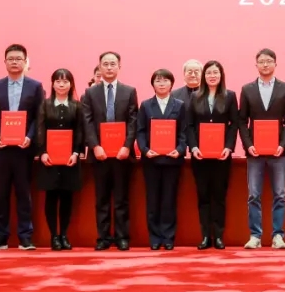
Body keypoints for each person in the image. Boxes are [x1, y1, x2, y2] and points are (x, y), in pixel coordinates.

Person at [0, 44, 45, 250]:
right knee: (1, 194)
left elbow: (39, 117)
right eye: (11, 59)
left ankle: (25, 236)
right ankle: (1, 237)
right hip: (1, 149)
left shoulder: (35, 86)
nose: (15, 62)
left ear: (25, 62)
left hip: (24, 149)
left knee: (24, 193)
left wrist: (29, 137)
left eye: (19, 59)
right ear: (5, 62)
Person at [238, 48, 285, 249]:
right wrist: (248, 145)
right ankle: (255, 236)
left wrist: (283, 144)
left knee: (280, 194)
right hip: (255, 152)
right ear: (256, 65)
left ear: (275, 64)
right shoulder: (247, 89)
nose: (265, 64)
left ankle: (278, 235)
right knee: (253, 195)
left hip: (278, 152)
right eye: (261, 61)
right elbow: (242, 121)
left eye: (269, 61)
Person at [81, 51, 138, 251]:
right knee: (102, 199)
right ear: (99, 67)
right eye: (105, 64)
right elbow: (87, 122)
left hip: (122, 154)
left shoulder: (129, 91)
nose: (109, 67)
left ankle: (122, 237)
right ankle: (103, 237)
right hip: (100, 154)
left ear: (119, 67)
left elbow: (133, 121)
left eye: (113, 63)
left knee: (121, 198)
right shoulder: (90, 93)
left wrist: (127, 146)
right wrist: (95, 146)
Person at [186, 60, 239, 249]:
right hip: (200, 156)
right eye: (209, 73)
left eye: (215, 72)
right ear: (204, 76)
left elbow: (234, 124)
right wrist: (193, 147)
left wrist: (229, 147)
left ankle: (218, 236)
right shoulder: (195, 96)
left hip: (221, 156)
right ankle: (205, 237)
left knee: (219, 196)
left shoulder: (230, 96)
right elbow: (189, 125)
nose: (212, 76)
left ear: (221, 75)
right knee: (203, 196)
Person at [136, 68, 188, 250]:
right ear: (153, 84)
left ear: (171, 84)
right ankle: (155, 238)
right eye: (158, 80)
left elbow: (184, 131)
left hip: (172, 161)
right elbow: (140, 131)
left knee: (169, 200)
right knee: (153, 200)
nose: (162, 84)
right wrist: (145, 149)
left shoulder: (180, 105)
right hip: (151, 160)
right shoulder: (145, 105)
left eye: (165, 80)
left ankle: (168, 237)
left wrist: (180, 149)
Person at [36, 68, 84, 250]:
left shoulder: (77, 106)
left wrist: (76, 153)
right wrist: (42, 152)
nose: (61, 84)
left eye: (65, 81)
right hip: (49, 159)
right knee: (51, 197)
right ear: (53, 84)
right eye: (58, 81)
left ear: (71, 84)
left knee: (66, 198)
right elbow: (40, 129)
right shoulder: (45, 104)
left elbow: (80, 131)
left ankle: (64, 234)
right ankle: (53, 236)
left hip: (70, 160)